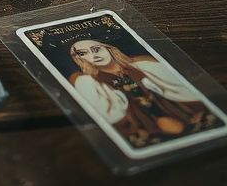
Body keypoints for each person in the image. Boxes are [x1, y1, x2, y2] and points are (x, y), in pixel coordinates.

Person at [67, 39, 223, 147]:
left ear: (108, 48)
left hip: (180, 112)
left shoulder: (142, 64)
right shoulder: (91, 82)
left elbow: (176, 88)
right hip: (142, 126)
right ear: (79, 59)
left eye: (96, 49)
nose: (93, 55)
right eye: (83, 53)